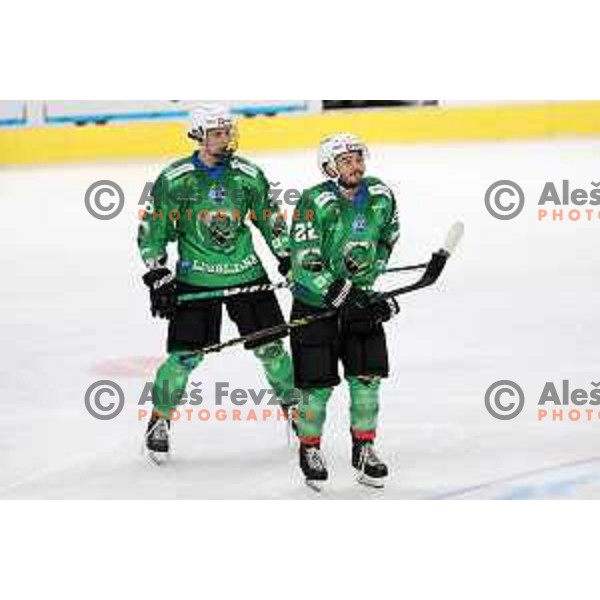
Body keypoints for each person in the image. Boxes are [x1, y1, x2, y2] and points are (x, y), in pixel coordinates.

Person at [138, 104, 297, 459]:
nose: (227, 139)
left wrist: (287, 257)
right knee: (182, 358)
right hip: (196, 279)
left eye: (229, 132)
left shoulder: (247, 174)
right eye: (218, 133)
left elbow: (270, 220)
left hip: (247, 273)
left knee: (271, 349)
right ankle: (160, 419)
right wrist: (157, 272)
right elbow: (153, 230)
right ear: (199, 136)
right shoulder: (175, 178)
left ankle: (294, 408)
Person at [289, 133, 400, 488]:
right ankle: (309, 448)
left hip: (360, 300)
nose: (355, 165)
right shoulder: (314, 201)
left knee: (367, 380)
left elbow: (388, 236)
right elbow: (305, 260)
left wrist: (369, 279)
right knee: (315, 388)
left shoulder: (381, 195)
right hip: (316, 304)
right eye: (346, 160)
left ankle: (364, 448)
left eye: (358, 158)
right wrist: (340, 294)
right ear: (329, 167)